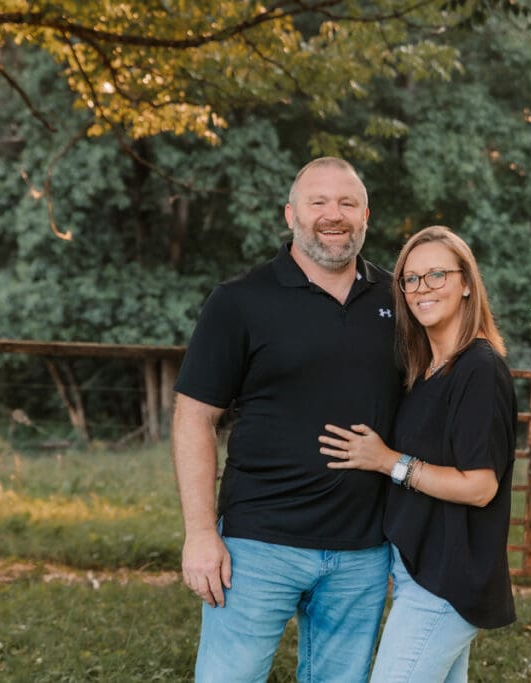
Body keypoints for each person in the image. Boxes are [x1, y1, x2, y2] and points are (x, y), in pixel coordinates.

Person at [172, 157, 402, 682]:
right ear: (291, 215)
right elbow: (193, 418)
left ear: (366, 214)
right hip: (257, 545)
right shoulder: (239, 302)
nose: (333, 214)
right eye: (317, 201)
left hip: (362, 551)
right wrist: (200, 533)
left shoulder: (400, 300)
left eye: (346, 202)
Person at [319, 225, 517, 682]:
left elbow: (481, 486)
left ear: (467, 283)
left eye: (437, 276)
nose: (421, 289)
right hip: (419, 572)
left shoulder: (479, 370)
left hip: (449, 581)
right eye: (411, 279)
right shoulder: (425, 370)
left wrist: (389, 461)